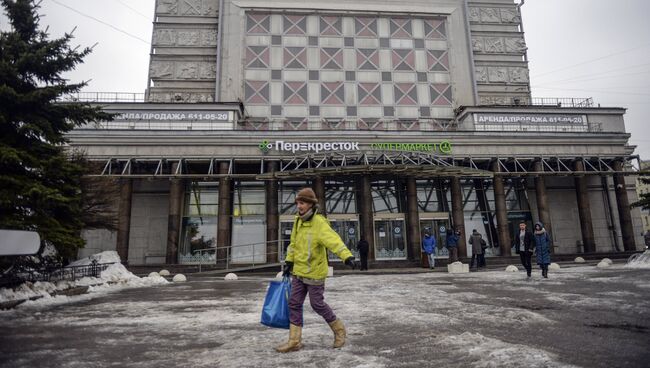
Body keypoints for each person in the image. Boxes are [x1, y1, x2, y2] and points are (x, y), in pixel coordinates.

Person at [276, 188, 358, 353]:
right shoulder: (298, 221)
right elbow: (293, 244)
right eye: (298, 203)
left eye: (302, 203)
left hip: (315, 273)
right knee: (294, 304)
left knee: (317, 304)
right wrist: (289, 262)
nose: (299, 206)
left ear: (311, 205)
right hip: (299, 272)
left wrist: (347, 256)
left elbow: (334, 240)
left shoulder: (319, 223)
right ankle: (294, 341)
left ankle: (339, 330)